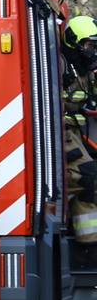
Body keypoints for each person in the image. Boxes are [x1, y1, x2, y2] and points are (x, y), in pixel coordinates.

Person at [60, 16, 97, 258]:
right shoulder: (61, 65)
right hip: (60, 132)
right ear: (74, 42)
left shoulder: (86, 69)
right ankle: (89, 242)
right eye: (88, 45)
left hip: (78, 133)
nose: (92, 50)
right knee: (87, 175)